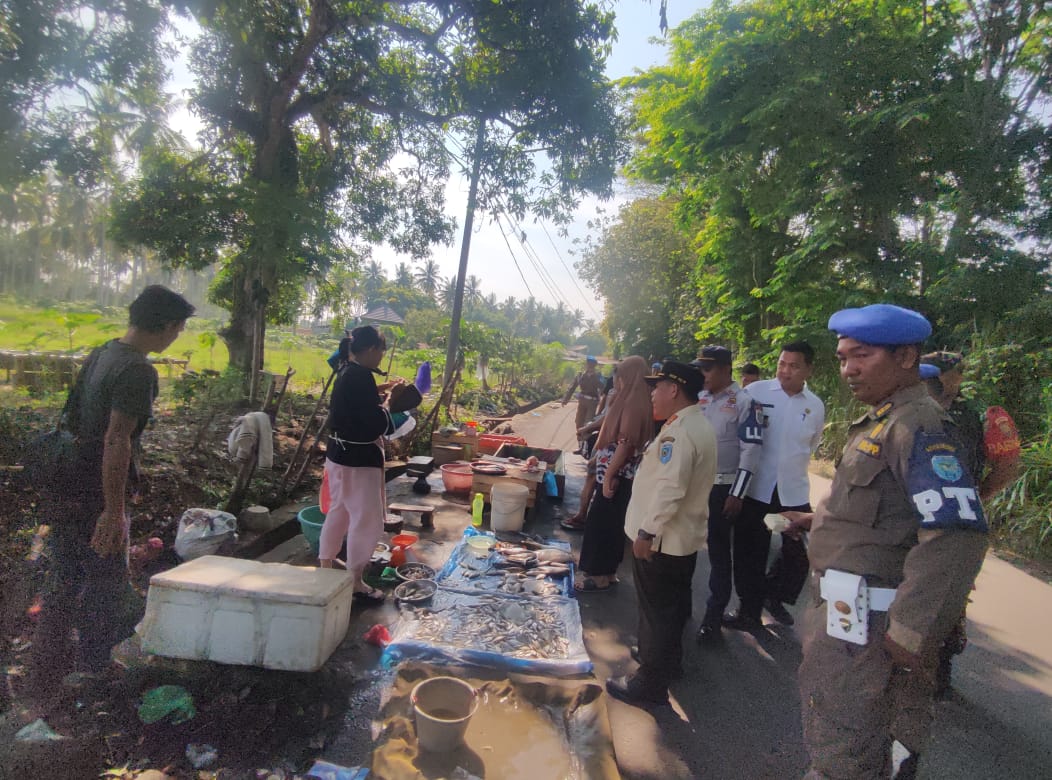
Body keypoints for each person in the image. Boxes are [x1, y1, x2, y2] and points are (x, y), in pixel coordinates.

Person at [798, 304, 988, 779]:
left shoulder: (918, 427)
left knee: (850, 748)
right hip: (848, 620)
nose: (848, 369)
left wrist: (909, 631)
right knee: (838, 734)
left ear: (906, 357)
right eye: (842, 358)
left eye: (861, 356)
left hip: (875, 629)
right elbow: (884, 512)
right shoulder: (882, 421)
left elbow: (956, 533)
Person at [30, 285, 195, 687]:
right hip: (95, 490)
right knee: (105, 581)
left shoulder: (104, 351)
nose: (177, 336)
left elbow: (77, 421)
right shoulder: (138, 370)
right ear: (169, 325)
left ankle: (45, 668)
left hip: (66, 482)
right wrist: (114, 510)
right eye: (179, 329)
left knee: (65, 574)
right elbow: (116, 439)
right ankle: (93, 667)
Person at [606, 360, 715, 706]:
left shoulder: (678, 433)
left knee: (656, 612)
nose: (652, 393)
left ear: (674, 389)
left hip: (662, 540)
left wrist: (646, 532)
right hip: (679, 540)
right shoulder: (694, 424)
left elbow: (670, 488)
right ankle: (669, 664)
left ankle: (650, 685)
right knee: (671, 607)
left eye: (658, 386)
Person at [724, 341, 825, 630]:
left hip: (790, 493)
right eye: (782, 363)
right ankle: (748, 611)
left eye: (794, 365)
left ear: (808, 369)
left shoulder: (814, 405)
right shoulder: (756, 392)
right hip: (757, 488)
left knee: (799, 553)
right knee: (750, 553)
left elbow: (812, 445)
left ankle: (773, 594)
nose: (786, 371)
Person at [321, 325, 402, 604]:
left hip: (337, 457)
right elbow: (375, 424)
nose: (382, 357)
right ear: (370, 350)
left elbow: (354, 402)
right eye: (381, 351)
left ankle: (326, 567)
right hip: (358, 461)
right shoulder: (361, 377)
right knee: (365, 520)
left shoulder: (346, 369)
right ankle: (355, 581)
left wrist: (381, 390)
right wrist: (390, 403)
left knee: (339, 511)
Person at [691, 346, 760, 643]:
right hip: (694, 485)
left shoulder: (745, 402)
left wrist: (738, 492)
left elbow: (751, 450)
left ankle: (712, 618)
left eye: (707, 369)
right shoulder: (700, 399)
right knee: (684, 546)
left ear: (725, 369)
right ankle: (680, 609)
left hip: (723, 488)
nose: (702, 375)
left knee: (719, 556)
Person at [575, 356, 653, 592]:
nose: (616, 380)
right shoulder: (637, 399)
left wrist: (608, 475)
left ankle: (598, 574)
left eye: (620, 376)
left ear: (629, 377)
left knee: (601, 523)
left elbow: (626, 443)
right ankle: (608, 573)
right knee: (613, 522)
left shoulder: (631, 404)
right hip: (620, 474)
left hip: (616, 476)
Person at [562, 356, 603, 455]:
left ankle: (586, 448)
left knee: (588, 424)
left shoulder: (598, 376)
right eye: (588, 363)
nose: (589, 366)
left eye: (592, 364)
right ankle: (580, 446)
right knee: (579, 423)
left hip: (592, 402)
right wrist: (566, 399)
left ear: (595, 365)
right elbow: (572, 387)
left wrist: (594, 377)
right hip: (582, 401)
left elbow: (602, 387)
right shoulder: (580, 375)